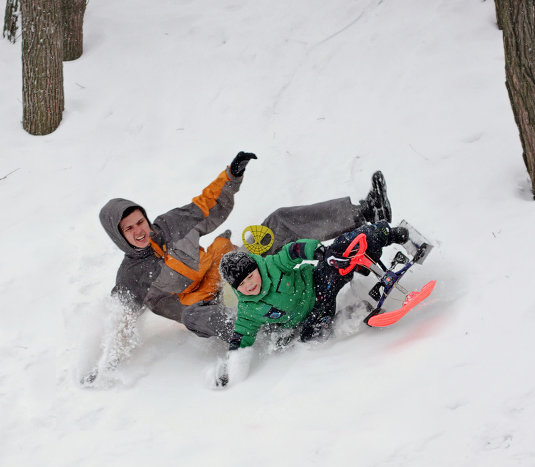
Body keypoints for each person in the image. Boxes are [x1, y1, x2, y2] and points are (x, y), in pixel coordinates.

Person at [84, 159, 392, 385]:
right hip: (208, 306)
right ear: (119, 235)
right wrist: (104, 363)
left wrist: (232, 175)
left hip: (231, 271)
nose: (140, 230)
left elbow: (205, 205)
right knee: (192, 317)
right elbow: (119, 319)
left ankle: (364, 213)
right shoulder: (131, 276)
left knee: (277, 222)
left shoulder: (170, 226)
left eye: (140, 221)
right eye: (130, 228)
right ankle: (276, 326)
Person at [215, 218, 409, 387]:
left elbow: (294, 251)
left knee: (340, 249)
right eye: (241, 284)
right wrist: (230, 368)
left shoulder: (272, 266)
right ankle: (359, 312)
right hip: (314, 315)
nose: (249, 285)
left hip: (319, 284)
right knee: (313, 337)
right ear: (234, 288)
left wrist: (321, 253)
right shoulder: (248, 309)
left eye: (250, 276)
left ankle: (382, 233)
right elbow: (241, 337)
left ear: (256, 267)